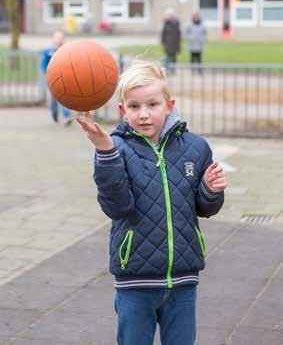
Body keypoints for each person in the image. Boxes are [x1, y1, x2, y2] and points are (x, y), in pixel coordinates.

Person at [76, 60, 227, 345]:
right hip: (135, 279)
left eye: (152, 105)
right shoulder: (116, 149)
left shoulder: (196, 148)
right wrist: (104, 150)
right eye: (134, 107)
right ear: (123, 110)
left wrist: (210, 189)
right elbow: (117, 207)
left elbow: (205, 208)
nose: (143, 115)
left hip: (183, 279)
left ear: (169, 105)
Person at [41, 30, 72, 126]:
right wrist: (48, 74)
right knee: (54, 101)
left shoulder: (67, 50)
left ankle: (67, 117)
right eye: (57, 37)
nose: (59, 40)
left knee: (64, 99)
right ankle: (54, 116)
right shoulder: (48, 52)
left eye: (61, 38)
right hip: (52, 80)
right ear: (53, 39)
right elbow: (43, 65)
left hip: (64, 79)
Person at [161, 9, 181, 74]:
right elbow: (163, 34)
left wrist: (179, 44)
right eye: (169, 15)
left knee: (174, 58)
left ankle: (173, 70)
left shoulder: (177, 23)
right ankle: (167, 70)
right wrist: (163, 43)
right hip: (168, 44)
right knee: (167, 57)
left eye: (171, 15)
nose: (170, 17)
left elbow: (178, 34)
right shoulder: (166, 23)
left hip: (175, 44)